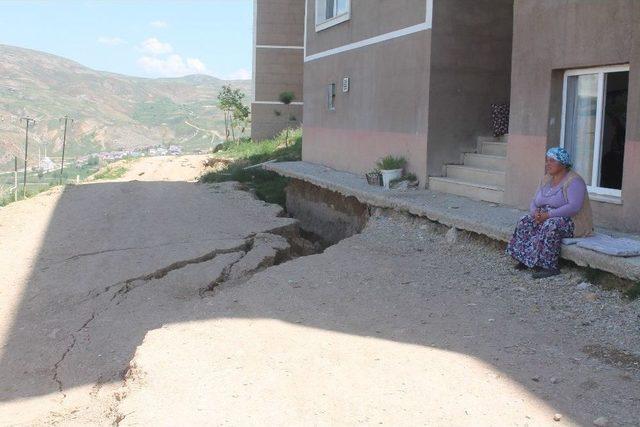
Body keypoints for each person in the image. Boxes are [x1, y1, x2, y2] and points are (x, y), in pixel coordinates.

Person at [507, 147, 593, 279]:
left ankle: (550, 266)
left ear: (563, 164)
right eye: (547, 160)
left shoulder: (574, 181)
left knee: (551, 225)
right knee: (525, 220)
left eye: (552, 161)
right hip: (543, 216)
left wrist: (548, 215)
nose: (547, 164)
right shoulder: (546, 179)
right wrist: (535, 213)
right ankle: (525, 260)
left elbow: (573, 207)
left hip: (571, 221)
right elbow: (535, 200)